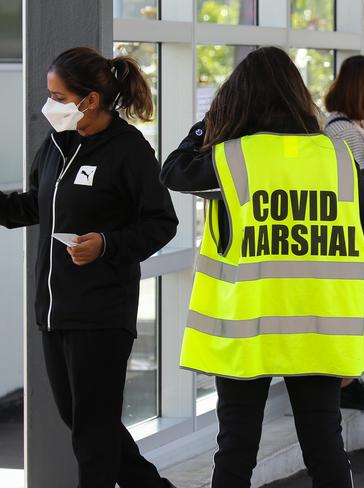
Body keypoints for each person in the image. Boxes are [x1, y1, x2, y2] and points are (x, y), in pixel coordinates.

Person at [160, 46, 364, 488]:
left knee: (236, 448)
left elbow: (174, 170)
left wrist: (209, 122)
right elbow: (362, 241)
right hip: (320, 324)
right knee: (324, 446)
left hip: (249, 327)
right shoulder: (338, 156)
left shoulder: (232, 157)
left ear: (237, 101)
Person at [0, 47, 178, 488]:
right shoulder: (58, 143)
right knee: (86, 425)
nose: (50, 105)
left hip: (102, 312)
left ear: (90, 100)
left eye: (58, 96)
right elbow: (32, 205)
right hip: (55, 311)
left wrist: (106, 244)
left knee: (93, 437)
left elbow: (161, 223)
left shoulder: (129, 150)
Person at [322, 55, 364, 410]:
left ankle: (350, 378)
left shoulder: (357, 127)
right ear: (360, 89)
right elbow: (357, 183)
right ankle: (344, 383)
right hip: (356, 238)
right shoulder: (343, 130)